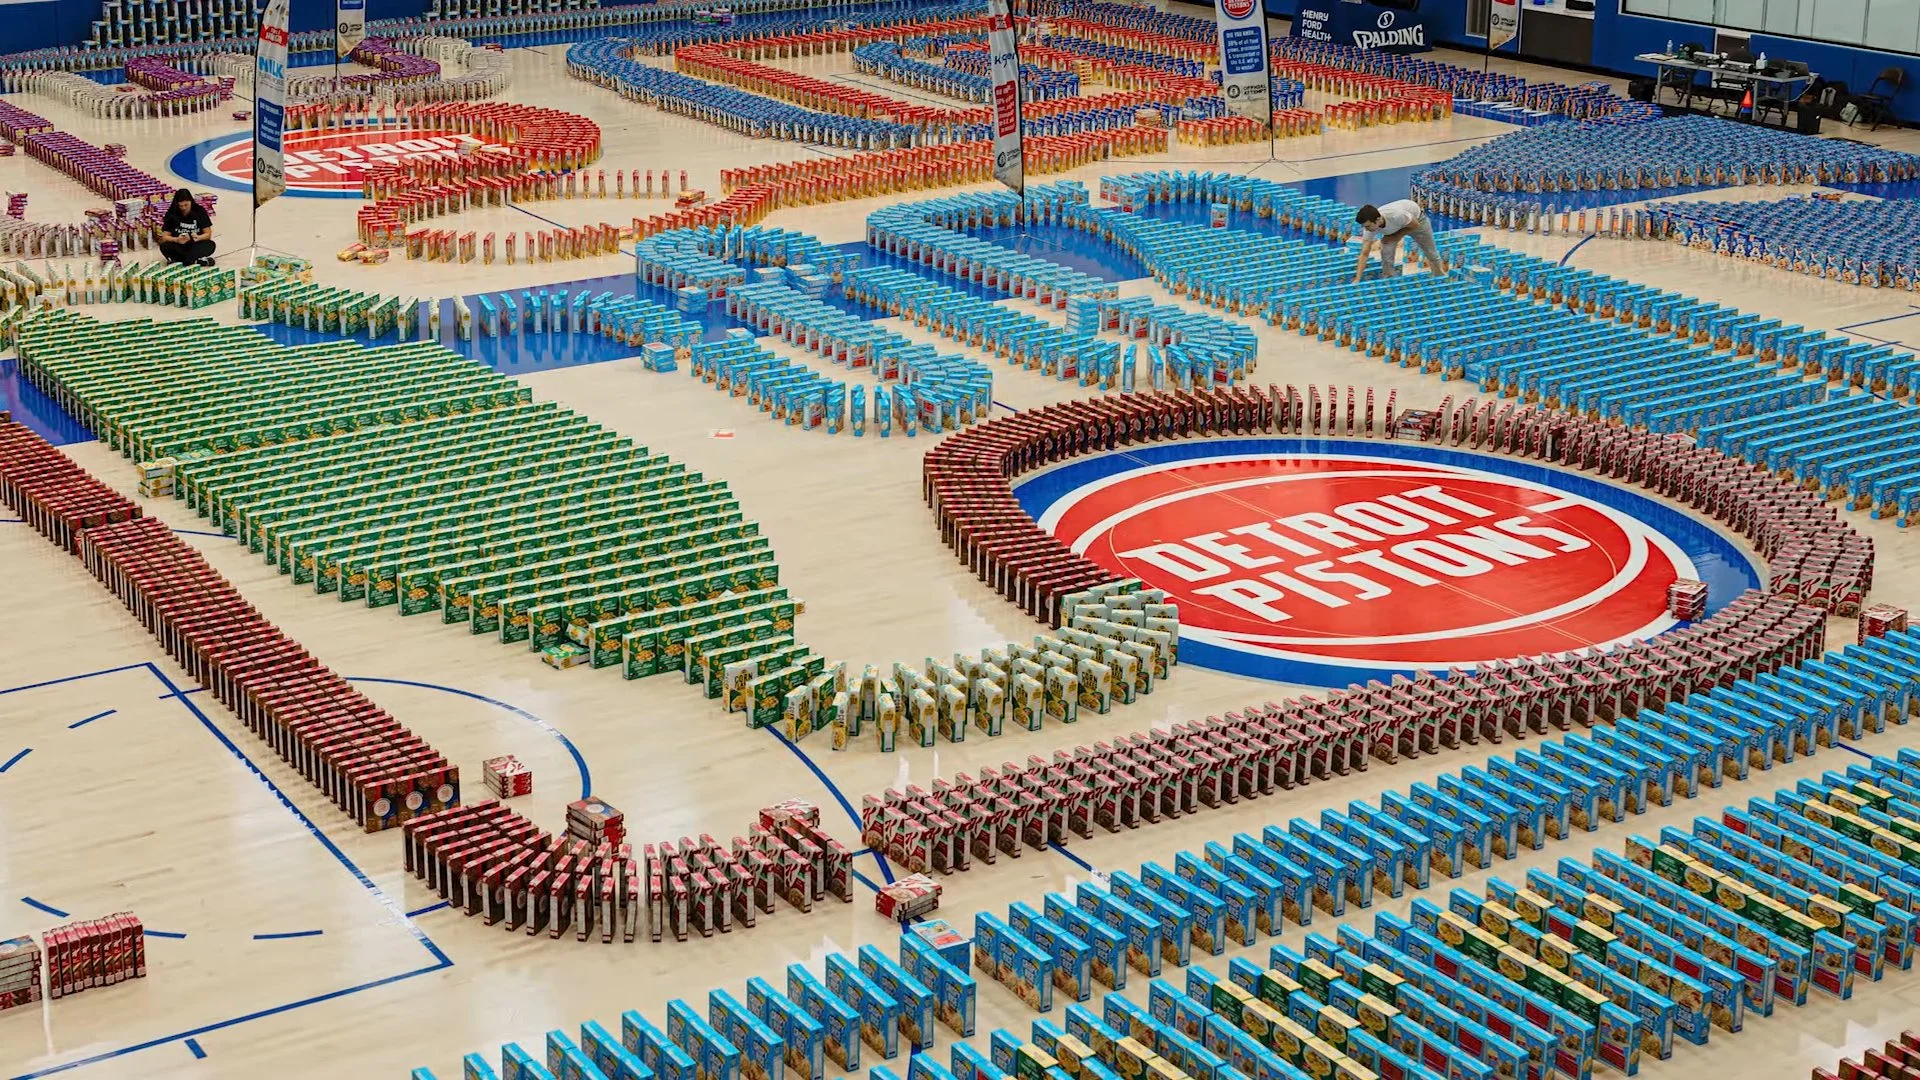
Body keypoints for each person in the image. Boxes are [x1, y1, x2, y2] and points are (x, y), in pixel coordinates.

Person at [1352, 199, 1443, 282]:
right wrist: (1357, 278)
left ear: (1377, 220)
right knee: (1386, 251)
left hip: (1417, 220)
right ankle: (1390, 280)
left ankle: (1439, 278)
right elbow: (1364, 253)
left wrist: (1396, 237)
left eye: (1368, 226)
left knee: (1431, 252)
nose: (1366, 229)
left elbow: (1415, 224)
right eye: (1364, 226)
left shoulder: (1396, 215)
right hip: (1394, 228)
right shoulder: (1369, 228)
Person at [158, 189, 216, 266]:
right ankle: (196, 261)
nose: (184, 208)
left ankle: (179, 260)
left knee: (210, 245)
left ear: (191, 202)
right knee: (164, 246)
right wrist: (177, 239)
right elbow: (165, 237)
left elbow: (208, 234)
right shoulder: (171, 213)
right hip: (179, 245)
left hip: (195, 244)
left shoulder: (200, 211)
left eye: (186, 205)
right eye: (181, 206)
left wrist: (198, 237)